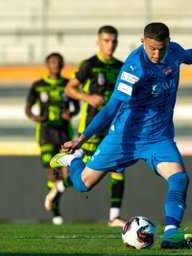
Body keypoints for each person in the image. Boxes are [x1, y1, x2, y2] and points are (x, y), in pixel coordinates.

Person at [48, 22, 192, 248]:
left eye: (161, 48)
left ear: (168, 42)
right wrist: (82, 139)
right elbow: (110, 108)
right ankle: (75, 159)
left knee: (179, 178)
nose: (157, 54)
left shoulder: (173, 51)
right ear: (142, 42)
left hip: (158, 137)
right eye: (152, 49)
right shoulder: (134, 67)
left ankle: (171, 234)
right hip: (125, 137)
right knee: (83, 185)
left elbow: (188, 55)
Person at [64, 25, 126, 227]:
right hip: (90, 126)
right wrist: (87, 97)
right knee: (86, 174)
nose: (111, 45)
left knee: (119, 167)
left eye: (114, 41)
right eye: (106, 40)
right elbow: (70, 88)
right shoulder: (89, 65)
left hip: (113, 127)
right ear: (98, 42)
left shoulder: (121, 66)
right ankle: (59, 186)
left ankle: (114, 217)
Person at [25, 52, 79, 225]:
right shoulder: (38, 85)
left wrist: (70, 113)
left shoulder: (67, 85)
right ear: (47, 65)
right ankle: (56, 212)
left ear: (62, 65)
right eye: (52, 62)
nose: (56, 65)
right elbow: (28, 107)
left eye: (58, 62)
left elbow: (76, 107)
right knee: (51, 168)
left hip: (64, 133)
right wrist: (34, 117)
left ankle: (53, 195)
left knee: (65, 174)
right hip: (46, 133)